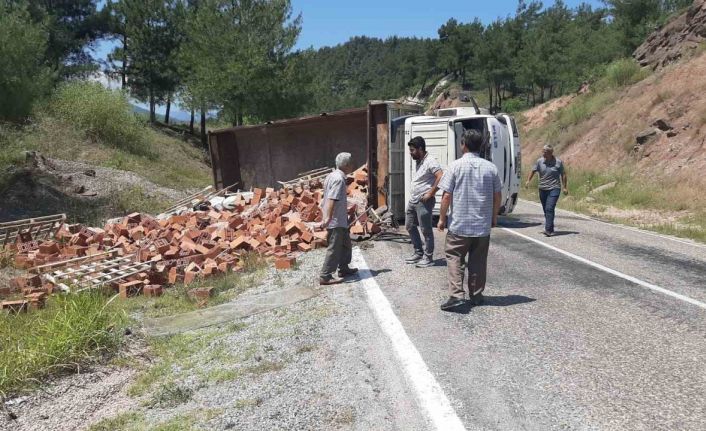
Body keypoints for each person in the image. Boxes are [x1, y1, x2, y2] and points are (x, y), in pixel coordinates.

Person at [437, 129, 502, 312]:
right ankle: (476, 295)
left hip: (460, 225)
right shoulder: (491, 167)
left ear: (463, 144)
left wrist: (442, 219)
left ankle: (457, 296)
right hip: (482, 226)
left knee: (455, 257)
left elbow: (446, 196)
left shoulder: (455, 166)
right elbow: (497, 195)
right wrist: (494, 217)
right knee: (478, 260)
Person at [319, 152, 359, 285]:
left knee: (345, 244)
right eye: (351, 163)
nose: (353, 165)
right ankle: (326, 275)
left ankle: (344, 268)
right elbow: (332, 199)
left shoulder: (332, 175)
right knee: (334, 247)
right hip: (335, 220)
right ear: (346, 165)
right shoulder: (338, 179)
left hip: (339, 219)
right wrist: (328, 218)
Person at [405, 136, 443, 268]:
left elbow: (440, 176)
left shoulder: (430, 161)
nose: (410, 153)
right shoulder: (419, 160)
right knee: (409, 225)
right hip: (413, 200)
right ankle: (418, 252)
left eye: (412, 150)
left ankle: (428, 257)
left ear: (420, 149)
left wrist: (431, 193)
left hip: (423, 201)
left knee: (426, 230)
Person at [525, 144, 568, 237]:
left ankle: (548, 230)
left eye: (545, 152)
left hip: (554, 188)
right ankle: (550, 227)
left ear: (550, 153)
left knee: (549, 208)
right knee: (546, 209)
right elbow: (533, 170)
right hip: (542, 188)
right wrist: (528, 180)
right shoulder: (539, 161)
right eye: (543, 152)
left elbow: (563, 174)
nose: (543, 154)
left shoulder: (558, 162)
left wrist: (564, 187)